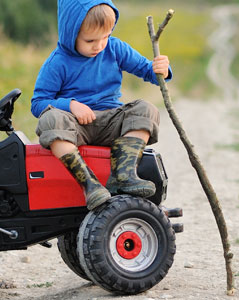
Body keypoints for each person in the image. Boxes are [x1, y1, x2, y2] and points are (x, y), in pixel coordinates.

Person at [31, 0, 172, 210]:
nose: (99, 45)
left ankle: (124, 174)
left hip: (111, 121)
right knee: (50, 120)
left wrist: (162, 69)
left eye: (105, 36)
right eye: (90, 40)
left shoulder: (114, 48)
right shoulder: (58, 62)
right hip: (76, 127)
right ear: (71, 34)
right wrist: (70, 105)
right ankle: (90, 186)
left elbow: (147, 70)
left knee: (146, 109)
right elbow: (38, 103)